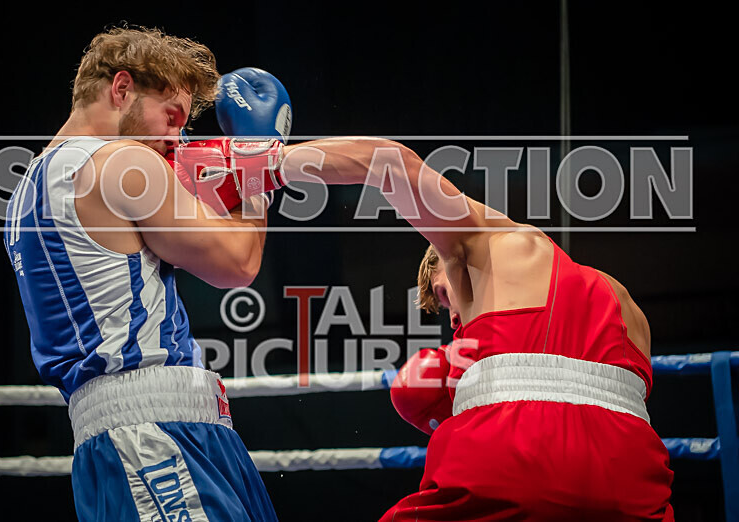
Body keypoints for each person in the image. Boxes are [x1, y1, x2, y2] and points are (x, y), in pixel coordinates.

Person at [270, 139, 675, 520]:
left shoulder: (485, 242)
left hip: (515, 456)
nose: (452, 320)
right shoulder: (628, 307)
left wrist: (262, 164)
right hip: (632, 476)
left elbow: (388, 161)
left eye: (443, 298)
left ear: (444, 256)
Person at [3, 26, 285, 521]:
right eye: (171, 117)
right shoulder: (119, 161)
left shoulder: (29, 190)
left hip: (122, 434)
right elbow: (240, 262)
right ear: (121, 88)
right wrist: (254, 162)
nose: (174, 138)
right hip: (153, 433)